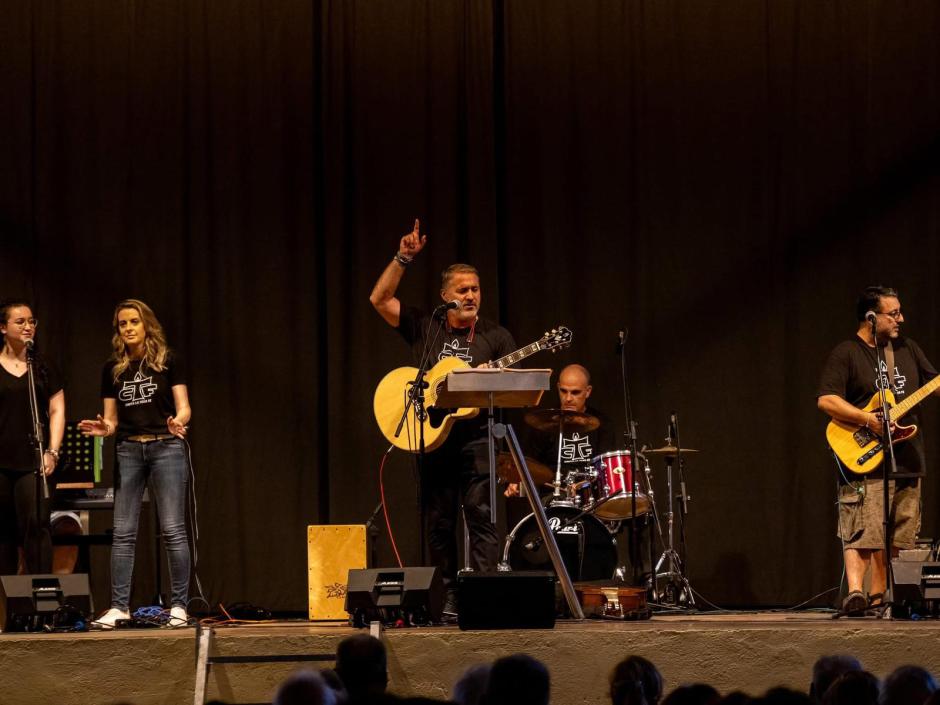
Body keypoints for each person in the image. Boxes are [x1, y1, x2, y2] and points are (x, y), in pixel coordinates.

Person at [370, 219, 517, 615]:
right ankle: (449, 598)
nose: (471, 296)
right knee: (439, 523)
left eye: (476, 289)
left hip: (478, 439)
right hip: (432, 439)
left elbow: (513, 390)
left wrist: (490, 383)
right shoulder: (426, 326)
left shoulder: (496, 338)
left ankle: (484, 595)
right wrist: (403, 258)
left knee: (482, 518)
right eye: (463, 290)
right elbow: (380, 300)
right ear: (445, 295)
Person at [817, 286, 938, 615]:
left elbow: (934, 382)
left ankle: (886, 597)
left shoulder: (908, 348)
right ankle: (858, 594)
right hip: (866, 457)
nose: (902, 319)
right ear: (871, 317)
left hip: (908, 458)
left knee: (903, 533)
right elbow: (827, 400)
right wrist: (866, 420)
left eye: (900, 312)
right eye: (893, 313)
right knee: (864, 529)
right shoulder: (848, 353)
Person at [78, 299, 192, 627]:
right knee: (124, 532)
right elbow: (112, 420)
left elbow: (184, 407)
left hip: (166, 447)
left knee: (172, 528)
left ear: (146, 326)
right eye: (122, 324)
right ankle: (119, 607)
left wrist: (178, 422)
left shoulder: (168, 362)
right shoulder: (112, 369)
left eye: (133, 322)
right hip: (129, 450)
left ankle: (179, 606)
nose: (128, 328)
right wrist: (105, 429)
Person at [0, 300, 64, 575]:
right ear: (3, 328)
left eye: (31, 321)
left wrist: (52, 451)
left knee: (37, 525)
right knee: (2, 531)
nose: (28, 326)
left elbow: (57, 409)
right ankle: (4, 609)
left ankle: (41, 604)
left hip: (34, 461)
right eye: (20, 322)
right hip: (1, 461)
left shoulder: (43, 366)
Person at [505, 364, 618, 498]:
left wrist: (582, 485)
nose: (568, 398)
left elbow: (605, 469)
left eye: (575, 392)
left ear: (588, 391)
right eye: (564, 391)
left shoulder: (602, 425)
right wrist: (518, 479)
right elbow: (530, 464)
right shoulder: (544, 423)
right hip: (552, 496)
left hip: (590, 496)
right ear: (558, 387)